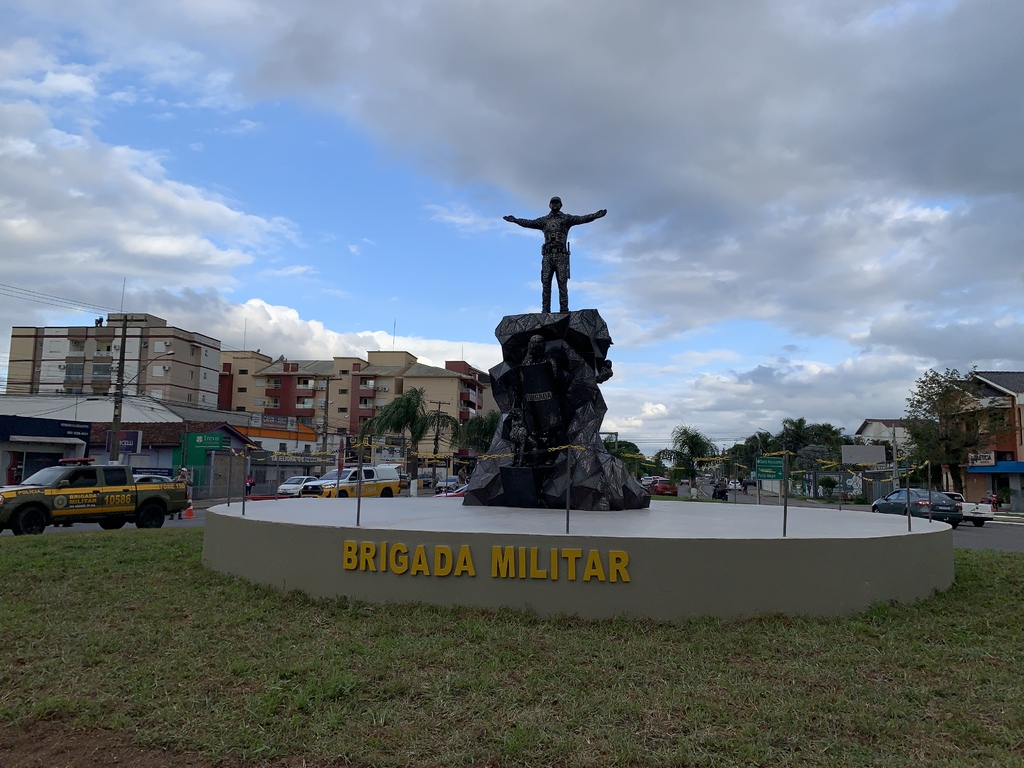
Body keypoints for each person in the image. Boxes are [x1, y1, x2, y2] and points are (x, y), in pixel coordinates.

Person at [504, 197, 607, 313]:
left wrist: (595, 215)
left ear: (561, 205)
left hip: (561, 256)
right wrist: (516, 220)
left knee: (562, 283)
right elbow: (529, 223)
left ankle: (564, 310)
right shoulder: (544, 221)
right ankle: (545, 311)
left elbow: (581, 219)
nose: (554, 204)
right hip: (547, 256)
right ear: (549, 205)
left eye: (557, 202)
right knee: (546, 283)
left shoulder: (566, 219)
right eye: (553, 203)